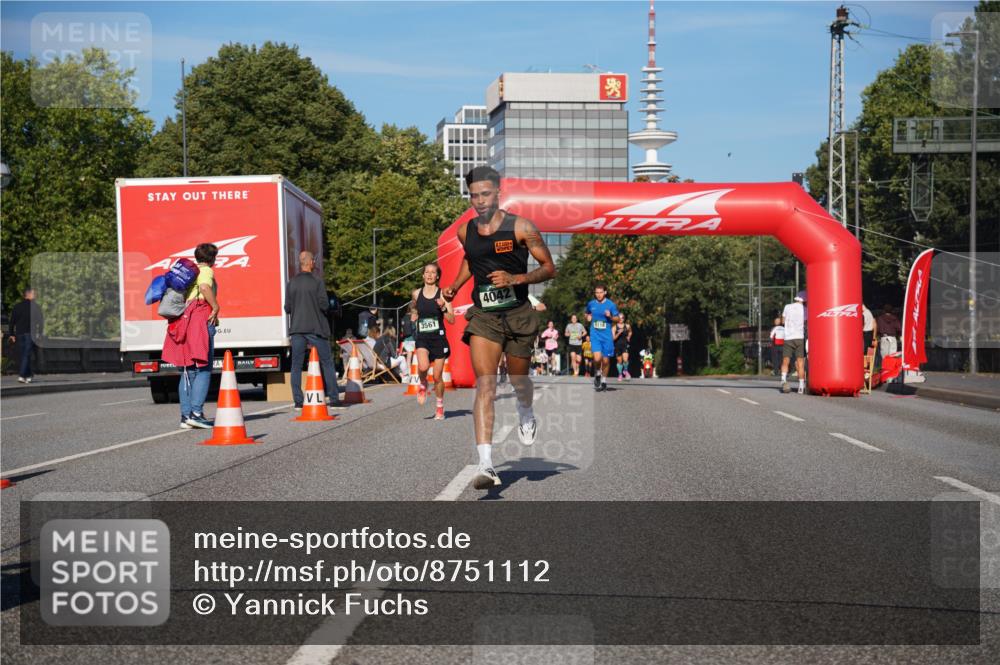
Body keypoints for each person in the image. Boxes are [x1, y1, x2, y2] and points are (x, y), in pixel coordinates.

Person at [442, 166, 557, 490]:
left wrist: (516, 278)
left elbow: (549, 268)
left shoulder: (521, 227)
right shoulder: (465, 231)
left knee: (520, 381)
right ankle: (486, 465)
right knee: (486, 385)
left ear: (498, 194)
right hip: (485, 316)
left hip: (518, 314)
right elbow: (471, 259)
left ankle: (525, 410)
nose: (479, 200)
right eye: (474, 195)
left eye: (485, 194)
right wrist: (455, 285)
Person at [163, 243, 220, 429]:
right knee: (204, 368)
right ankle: (196, 413)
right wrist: (216, 306)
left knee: (188, 370)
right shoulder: (206, 271)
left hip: (185, 319)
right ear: (212, 258)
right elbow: (204, 288)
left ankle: (185, 416)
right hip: (200, 318)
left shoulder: (190, 273)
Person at [286, 251, 341, 410]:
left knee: (296, 365)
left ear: (300, 263)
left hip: (297, 329)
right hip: (316, 328)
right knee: (327, 362)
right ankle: (334, 399)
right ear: (310, 263)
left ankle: (298, 401)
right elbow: (324, 305)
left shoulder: (291, 283)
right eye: (314, 261)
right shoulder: (317, 282)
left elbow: (287, 308)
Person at [410, 262, 455, 420]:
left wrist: (443, 308)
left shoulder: (443, 294)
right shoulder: (416, 293)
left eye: (433, 272)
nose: (429, 275)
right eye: (427, 272)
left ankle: (440, 407)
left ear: (437, 276)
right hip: (423, 337)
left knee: (437, 376)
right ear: (423, 275)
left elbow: (452, 319)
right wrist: (414, 314)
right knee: (423, 366)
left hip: (438, 338)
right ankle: (423, 383)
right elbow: (414, 307)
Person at [585, 283, 620, 392]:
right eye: (597, 293)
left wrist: (610, 316)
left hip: (607, 336)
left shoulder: (611, 305)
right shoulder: (591, 304)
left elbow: (618, 319)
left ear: (605, 292)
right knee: (597, 358)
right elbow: (586, 314)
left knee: (605, 360)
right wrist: (588, 317)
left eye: (601, 292)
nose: (599, 295)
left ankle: (604, 380)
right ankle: (597, 373)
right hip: (595, 334)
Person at [7, 287, 43, 384]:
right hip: (30, 334)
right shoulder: (36, 307)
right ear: (28, 295)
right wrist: (40, 334)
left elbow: (12, 321)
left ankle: (28, 375)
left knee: (24, 355)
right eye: (34, 293)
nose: (36, 295)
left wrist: (11, 334)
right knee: (26, 354)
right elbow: (40, 322)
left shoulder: (17, 306)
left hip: (19, 334)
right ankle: (22, 375)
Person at [780, 291, 807, 394]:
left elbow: (783, 321)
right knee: (800, 362)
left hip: (788, 337)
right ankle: (801, 386)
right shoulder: (805, 309)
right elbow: (806, 322)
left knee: (785, 360)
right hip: (799, 337)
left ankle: (783, 380)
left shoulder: (787, 307)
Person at [613, 312, 632, 381]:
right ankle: (620, 374)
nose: (621, 319)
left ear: (624, 319)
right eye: (620, 318)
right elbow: (613, 338)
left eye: (622, 318)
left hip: (625, 344)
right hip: (617, 346)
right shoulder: (614, 327)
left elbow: (630, 332)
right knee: (619, 361)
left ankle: (625, 371)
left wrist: (629, 336)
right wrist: (618, 333)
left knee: (625, 359)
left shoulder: (627, 326)